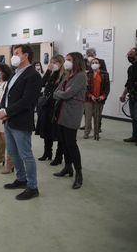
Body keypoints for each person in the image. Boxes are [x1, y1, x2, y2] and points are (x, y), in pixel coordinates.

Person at [0, 44, 42, 200]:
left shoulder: (33, 75)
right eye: (13, 53)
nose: (13, 56)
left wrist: (7, 112)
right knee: (12, 152)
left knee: (25, 154)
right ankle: (21, 178)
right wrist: (2, 109)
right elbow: (7, 94)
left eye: (17, 53)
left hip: (21, 121)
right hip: (9, 120)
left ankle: (32, 187)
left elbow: (27, 101)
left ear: (26, 55)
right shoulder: (15, 73)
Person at [53, 52, 87, 189]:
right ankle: (68, 167)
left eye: (69, 60)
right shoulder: (67, 75)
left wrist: (62, 94)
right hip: (62, 113)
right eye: (66, 59)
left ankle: (79, 173)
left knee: (71, 143)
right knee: (64, 142)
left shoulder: (81, 76)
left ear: (76, 61)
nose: (66, 62)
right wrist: (62, 94)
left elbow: (67, 94)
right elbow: (56, 91)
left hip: (72, 114)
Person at [35, 55, 66, 165]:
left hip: (57, 107)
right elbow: (41, 83)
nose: (54, 64)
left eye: (56, 62)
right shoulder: (52, 73)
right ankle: (47, 153)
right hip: (47, 106)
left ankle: (58, 157)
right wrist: (48, 70)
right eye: (52, 62)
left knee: (58, 132)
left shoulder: (64, 75)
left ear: (61, 63)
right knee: (46, 130)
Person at [84, 58, 110, 140]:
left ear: (99, 64)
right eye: (93, 62)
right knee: (88, 117)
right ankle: (87, 133)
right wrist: (90, 95)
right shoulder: (87, 74)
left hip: (99, 99)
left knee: (97, 117)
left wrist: (103, 96)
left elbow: (107, 88)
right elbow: (85, 87)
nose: (94, 64)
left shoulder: (105, 74)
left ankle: (96, 133)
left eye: (96, 62)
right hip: (89, 99)